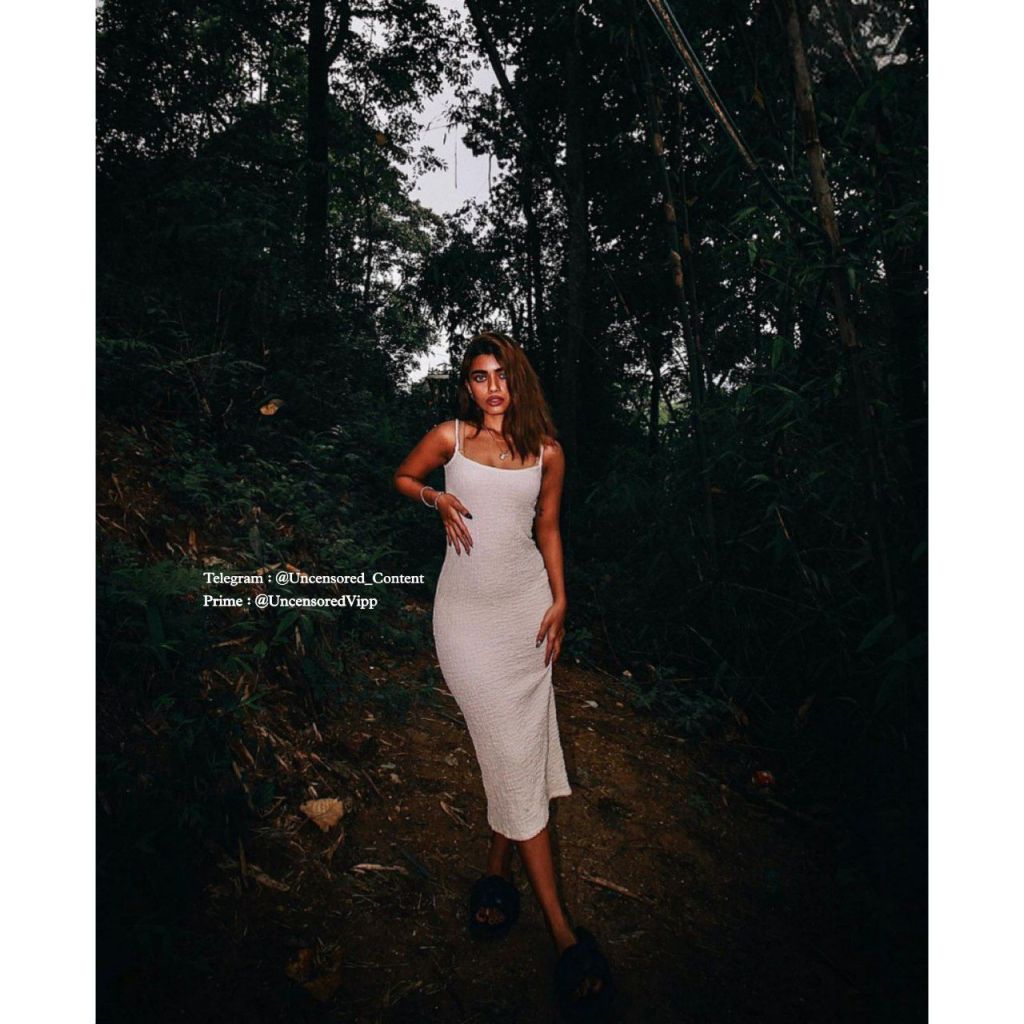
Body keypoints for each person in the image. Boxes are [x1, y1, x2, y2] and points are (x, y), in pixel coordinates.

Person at [393, 331, 617, 1020]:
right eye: (479, 376)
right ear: (468, 385)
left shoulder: (548, 452)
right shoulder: (452, 438)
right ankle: (563, 933)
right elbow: (403, 477)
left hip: (526, 614)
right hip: (464, 621)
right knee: (509, 750)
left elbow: (547, 528)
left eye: (501, 375)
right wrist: (434, 500)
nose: (491, 387)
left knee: (512, 752)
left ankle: (496, 873)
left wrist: (561, 598)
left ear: (518, 381)